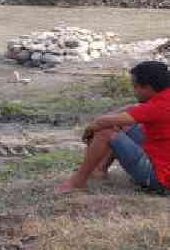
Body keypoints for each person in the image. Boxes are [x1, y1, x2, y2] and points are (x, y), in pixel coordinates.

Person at [55, 61, 170, 195]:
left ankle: (77, 182)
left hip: (160, 180)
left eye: (135, 87)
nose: (134, 91)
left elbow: (103, 123)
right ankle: (99, 170)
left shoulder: (158, 107)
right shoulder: (164, 98)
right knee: (124, 124)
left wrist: (91, 128)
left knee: (106, 131)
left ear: (148, 87)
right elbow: (133, 110)